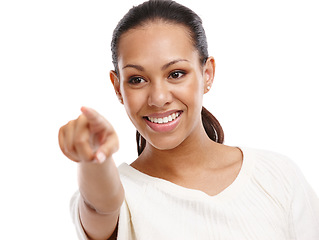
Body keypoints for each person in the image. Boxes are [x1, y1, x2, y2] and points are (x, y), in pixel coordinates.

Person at [58, 0, 319, 239]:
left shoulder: (277, 177)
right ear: (118, 88)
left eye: (176, 73)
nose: (158, 98)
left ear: (207, 74)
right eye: (137, 80)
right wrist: (94, 158)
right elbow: (99, 205)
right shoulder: (121, 196)